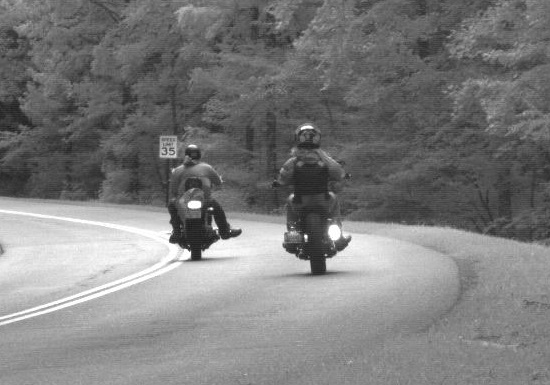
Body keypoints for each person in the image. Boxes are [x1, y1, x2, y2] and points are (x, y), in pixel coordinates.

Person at [274, 122, 351, 251]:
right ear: (317, 138)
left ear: (298, 139)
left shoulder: (294, 160)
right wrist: (343, 176)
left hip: (300, 201)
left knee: (289, 201)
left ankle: (292, 238)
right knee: (335, 198)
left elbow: (283, 178)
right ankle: (338, 237)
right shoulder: (325, 159)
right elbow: (338, 173)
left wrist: (278, 183)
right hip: (323, 200)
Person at [168, 144, 242, 244]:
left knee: (172, 206)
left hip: (183, 202)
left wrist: (175, 197)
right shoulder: (207, 168)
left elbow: (173, 189)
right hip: (204, 200)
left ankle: (176, 232)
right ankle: (225, 231)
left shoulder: (178, 170)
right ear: (199, 155)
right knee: (217, 208)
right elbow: (218, 183)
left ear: (186, 155)